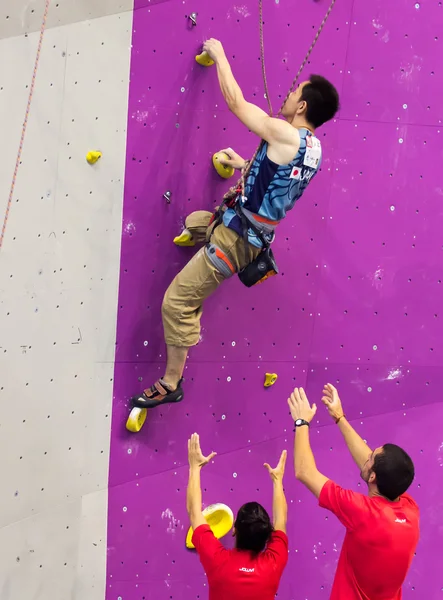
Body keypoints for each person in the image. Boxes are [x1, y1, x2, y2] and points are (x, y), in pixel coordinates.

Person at [130, 38, 340, 409]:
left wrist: (220, 54)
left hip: (235, 238)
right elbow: (283, 181)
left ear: (303, 105)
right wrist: (246, 165)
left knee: (176, 303)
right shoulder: (315, 149)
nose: (289, 94)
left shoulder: (285, 133)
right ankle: (197, 239)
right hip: (245, 230)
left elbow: (236, 103)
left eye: (295, 92)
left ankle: (170, 382)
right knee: (198, 222)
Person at [288, 384, 419, 600]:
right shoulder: (409, 508)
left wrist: (301, 422)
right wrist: (339, 417)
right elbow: (373, 467)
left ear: (374, 477)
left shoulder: (362, 513)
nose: (367, 455)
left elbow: (304, 471)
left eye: (371, 456)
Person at [186, 433, 288, 600]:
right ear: (268, 537)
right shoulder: (274, 562)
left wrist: (195, 467)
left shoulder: (218, 560)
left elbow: (194, 511)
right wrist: (277, 481)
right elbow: (281, 519)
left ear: (234, 530)